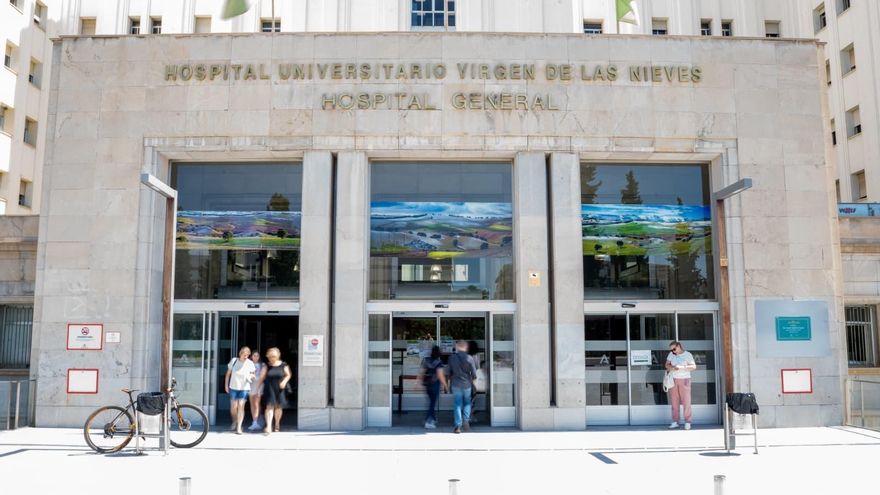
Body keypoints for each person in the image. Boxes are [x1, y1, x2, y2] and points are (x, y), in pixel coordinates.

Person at [447, 340, 477, 434]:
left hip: (456, 383)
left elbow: (448, 372)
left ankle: (458, 426)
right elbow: (474, 374)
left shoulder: (452, 358)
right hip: (467, 384)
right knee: (467, 402)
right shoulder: (469, 358)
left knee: (457, 404)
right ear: (465, 347)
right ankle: (466, 421)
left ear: (458, 347)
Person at [665, 340, 697, 430]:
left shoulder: (687, 355)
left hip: (685, 379)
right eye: (671, 350)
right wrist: (672, 367)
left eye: (674, 349)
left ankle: (688, 421)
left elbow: (694, 367)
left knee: (686, 401)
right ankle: (675, 421)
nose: (673, 351)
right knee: (674, 402)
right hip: (673, 379)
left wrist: (682, 367)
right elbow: (666, 365)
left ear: (679, 346)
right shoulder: (671, 355)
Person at [225, 346, 256, 435]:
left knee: (241, 406)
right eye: (244, 355)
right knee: (234, 407)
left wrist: (250, 377)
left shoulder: (250, 363)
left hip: (244, 388)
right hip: (233, 387)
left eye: (247, 355)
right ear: (240, 353)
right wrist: (226, 386)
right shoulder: (234, 361)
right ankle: (234, 421)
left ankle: (239, 427)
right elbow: (228, 374)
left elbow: (253, 375)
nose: (246, 357)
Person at [262, 347, 292, 435]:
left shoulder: (283, 364)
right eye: (270, 356)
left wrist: (284, 381)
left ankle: (277, 424)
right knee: (269, 407)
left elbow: (288, 375)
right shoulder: (266, 365)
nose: (272, 358)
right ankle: (268, 426)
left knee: (278, 407)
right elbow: (262, 377)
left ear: (278, 356)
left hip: (280, 388)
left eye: (274, 356)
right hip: (269, 388)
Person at [419, 345, 448, 429]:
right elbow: (440, 375)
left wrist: (419, 382)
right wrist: (445, 385)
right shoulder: (438, 362)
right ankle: (428, 421)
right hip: (435, 385)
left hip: (427, 384)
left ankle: (433, 418)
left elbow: (422, 372)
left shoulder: (427, 360)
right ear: (439, 353)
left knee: (431, 402)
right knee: (432, 403)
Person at [247, 351, 267, 431]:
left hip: (259, 385)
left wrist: (258, 388)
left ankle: (258, 419)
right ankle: (254, 421)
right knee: (252, 403)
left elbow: (263, 377)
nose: (256, 357)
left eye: (257, 356)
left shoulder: (262, 365)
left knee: (256, 404)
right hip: (251, 385)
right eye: (254, 355)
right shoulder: (248, 364)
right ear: (251, 356)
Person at [466, 340, 481, 423]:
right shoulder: (476, 355)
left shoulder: (466, 355)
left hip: (466, 378)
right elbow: (477, 367)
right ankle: (470, 416)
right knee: (473, 398)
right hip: (474, 378)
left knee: (468, 398)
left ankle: (468, 416)